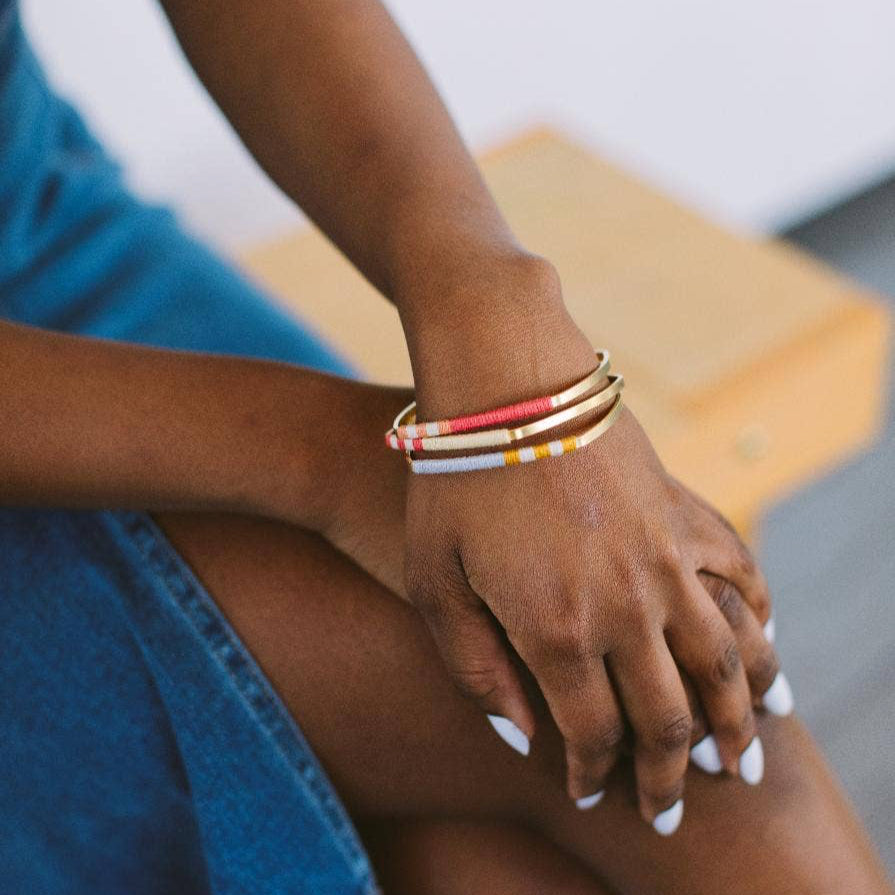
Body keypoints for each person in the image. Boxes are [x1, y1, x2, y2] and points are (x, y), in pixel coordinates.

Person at [0, 1, 890, 892]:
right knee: (601, 727)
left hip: (41, 225)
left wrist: (490, 303)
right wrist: (342, 459)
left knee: (667, 734)